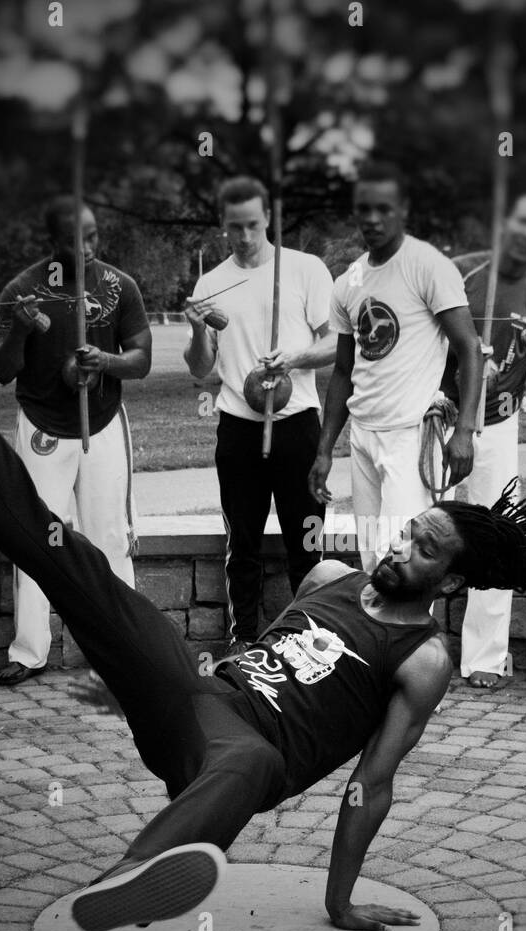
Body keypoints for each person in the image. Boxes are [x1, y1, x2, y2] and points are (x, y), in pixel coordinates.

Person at [0, 394, 526, 931]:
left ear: (448, 580)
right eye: (406, 531)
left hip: (241, 759)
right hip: (194, 699)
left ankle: (126, 882)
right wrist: (133, 688)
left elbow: (370, 785)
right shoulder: (327, 579)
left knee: (247, 764)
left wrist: (338, 902)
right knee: (74, 564)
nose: (398, 547)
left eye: (423, 548)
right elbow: (261, 658)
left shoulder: (423, 659)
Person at [0, 196, 152, 686]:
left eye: (95, 236)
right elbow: (1, 371)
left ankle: (129, 647)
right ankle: (29, 651)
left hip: (100, 423)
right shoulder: (23, 289)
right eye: (76, 240)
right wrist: (19, 327)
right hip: (42, 424)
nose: (88, 248)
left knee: (109, 535)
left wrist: (105, 362)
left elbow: (140, 358)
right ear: (53, 241)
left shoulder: (119, 285)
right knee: (38, 537)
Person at [183, 176, 336, 654]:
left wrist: (291, 358)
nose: (245, 237)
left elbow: (335, 344)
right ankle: (243, 640)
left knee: (306, 542)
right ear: (223, 226)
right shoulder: (211, 284)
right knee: (242, 544)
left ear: (269, 217)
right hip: (238, 428)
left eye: (252, 225)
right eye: (235, 228)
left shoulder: (307, 270)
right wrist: (196, 331)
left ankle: (308, 641)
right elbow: (201, 370)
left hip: (297, 425)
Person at [309, 160, 483, 575]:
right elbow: (342, 371)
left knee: (407, 561)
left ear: (403, 209)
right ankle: (375, 641)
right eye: (364, 209)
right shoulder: (347, 282)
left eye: (383, 208)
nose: (372, 219)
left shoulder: (428, 265)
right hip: (364, 437)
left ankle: (412, 642)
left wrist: (464, 431)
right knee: (373, 561)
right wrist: (323, 450)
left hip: (412, 436)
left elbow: (470, 348)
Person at [441, 192, 526, 688]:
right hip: (441, 418)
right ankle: (408, 649)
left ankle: (485, 659)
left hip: (498, 424)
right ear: (504, 223)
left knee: (494, 534)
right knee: (416, 528)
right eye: (523, 221)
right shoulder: (461, 273)